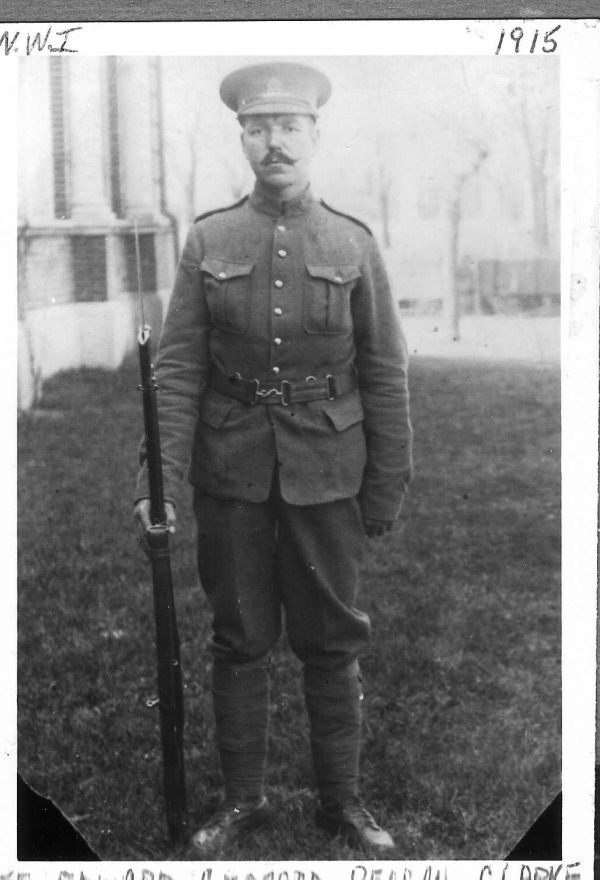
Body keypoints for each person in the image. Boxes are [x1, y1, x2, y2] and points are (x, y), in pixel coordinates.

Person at [134, 60, 413, 855]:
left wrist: (385, 485)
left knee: (333, 639)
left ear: (314, 135)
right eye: (259, 128)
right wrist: (156, 483)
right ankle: (242, 801)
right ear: (243, 139)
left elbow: (385, 370)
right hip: (233, 471)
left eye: (289, 126)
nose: (275, 142)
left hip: (329, 471)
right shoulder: (211, 239)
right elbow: (177, 370)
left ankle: (343, 803)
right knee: (240, 635)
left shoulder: (351, 241)